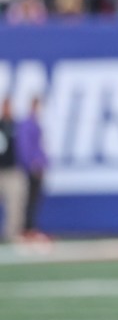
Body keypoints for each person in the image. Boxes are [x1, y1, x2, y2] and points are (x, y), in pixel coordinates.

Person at [15, 96, 48, 240]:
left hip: (37, 167)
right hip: (31, 169)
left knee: (34, 200)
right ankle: (26, 229)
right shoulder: (27, 124)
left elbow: (39, 147)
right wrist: (32, 164)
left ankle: (30, 228)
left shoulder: (35, 123)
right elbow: (25, 147)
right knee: (29, 200)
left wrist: (43, 163)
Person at [0, 98, 28, 243]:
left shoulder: (17, 126)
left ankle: (12, 235)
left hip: (12, 172)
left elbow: (24, 148)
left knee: (15, 206)